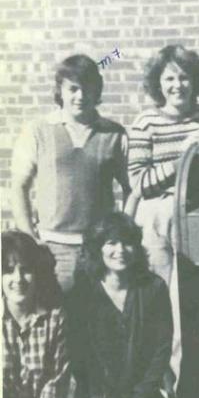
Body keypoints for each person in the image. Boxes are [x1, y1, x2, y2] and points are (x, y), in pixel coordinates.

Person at [68, 213, 175, 398]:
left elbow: (161, 351)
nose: (120, 250)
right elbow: (83, 365)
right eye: (111, 242)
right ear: (97, 248)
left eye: (127, 242)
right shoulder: (81, 296)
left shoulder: (153, 288)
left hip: (142, 395)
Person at [11, 54, 130, 293]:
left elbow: (131, 190)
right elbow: (18, 187)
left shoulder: (114, 134)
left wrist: (119, 237)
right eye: (73, 89)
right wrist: (30, 239)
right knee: (55, 317)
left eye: (87, 89)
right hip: (52, 248)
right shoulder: (38, 131)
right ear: (60, 91)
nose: (80, 96)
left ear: (97, 92)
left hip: (98, 248)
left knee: (97, 323)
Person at [125, 44, 199, 284]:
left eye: (184, 77)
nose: (178, 85)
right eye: (169, 79)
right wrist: (181, 162)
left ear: (195, 80)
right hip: (156, 220)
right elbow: (138, 183)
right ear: (158, 83)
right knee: (160, 287)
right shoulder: (146, 122)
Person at [2, 231, 71, 398]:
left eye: (25, 270)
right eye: (7, 271)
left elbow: (56, 381)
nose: (17, 279)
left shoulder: (55, 316)